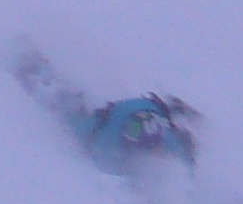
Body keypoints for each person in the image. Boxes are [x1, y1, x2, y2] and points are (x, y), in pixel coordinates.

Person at [13, 43, 201, 174]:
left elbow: (185, 150)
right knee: (64, 103)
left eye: (155, 147)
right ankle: (31, 67)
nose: (155, 152)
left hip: (147, 108)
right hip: (95, 120)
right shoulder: (106, 139)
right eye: (149, 148)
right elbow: (99, 165)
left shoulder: (167, 136)